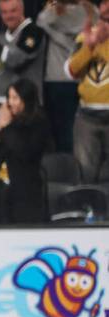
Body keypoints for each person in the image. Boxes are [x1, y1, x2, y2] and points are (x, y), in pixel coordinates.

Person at [0, 80, 53, 223]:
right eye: (9, 98)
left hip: (25, 193)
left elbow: (24, 151)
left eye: (15, 98)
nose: (10, 103)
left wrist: (6, 128)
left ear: (26, 99)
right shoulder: (6, 123)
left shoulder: (38, 122)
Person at [37, 0, 95, 152]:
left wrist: (52, 30)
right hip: (66, 78)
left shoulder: (86, 10)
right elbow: (40, 20)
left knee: (67, 128)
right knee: (65, 128)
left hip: (68, 78)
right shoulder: (87, 10)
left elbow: (41, 21)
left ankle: (71, 167)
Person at [67, 0, 109, 183]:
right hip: (87, 117)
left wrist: (102, 45)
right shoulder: (84, 37)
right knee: (84, 175)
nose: (107, 7)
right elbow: (71, 71)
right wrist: (89, 47)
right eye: (104, 3)